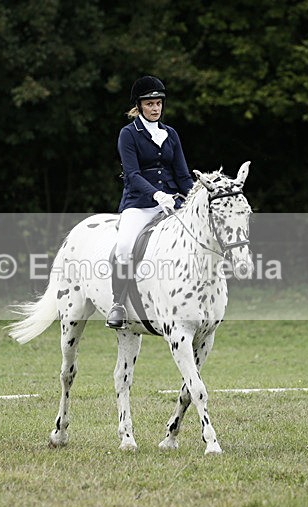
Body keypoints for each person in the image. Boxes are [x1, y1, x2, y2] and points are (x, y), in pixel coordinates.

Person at [106, 75, 194, 329]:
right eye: (150, 104)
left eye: (158, 103)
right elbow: (132, 175)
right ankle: (118, 304)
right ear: (139, 106)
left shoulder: (171, 134)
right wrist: (156, 195)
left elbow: (183, 175)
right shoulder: (128, 134)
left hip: (172, 203)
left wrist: (193, 200)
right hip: (139, 204)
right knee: (124, 246)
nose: (155, 108)